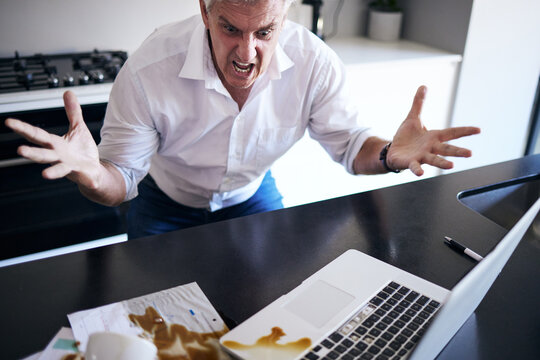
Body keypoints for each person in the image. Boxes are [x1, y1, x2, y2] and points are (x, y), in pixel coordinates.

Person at [5, 0, 480, 239]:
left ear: (287, 13)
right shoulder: (149, 70)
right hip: (164, 202)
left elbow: (352, 146)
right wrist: (94, 176)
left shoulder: (315, 64)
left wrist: (388, 156)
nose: (247, 53)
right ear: (205, 10)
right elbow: (120, 180)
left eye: (265, 31)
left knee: (265, 316)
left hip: (253, 196)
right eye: (231, 28)